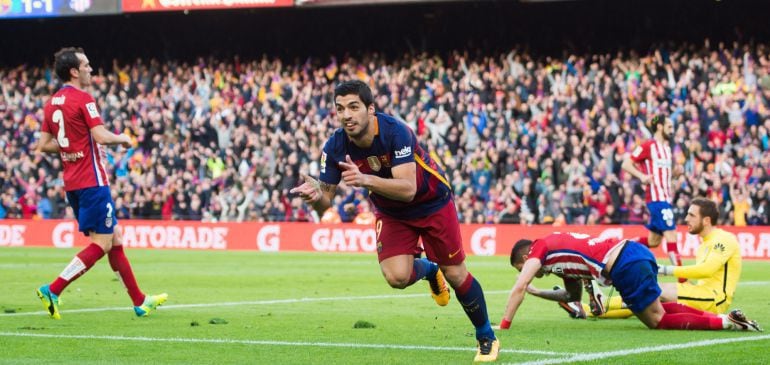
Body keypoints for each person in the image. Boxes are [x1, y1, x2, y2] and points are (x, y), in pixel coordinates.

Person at [290, 80, 499, 362]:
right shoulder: (335, 146)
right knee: (396, 277)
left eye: (354, 107)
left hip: (432, 203)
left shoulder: (396, 132)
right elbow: (325, 204)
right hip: (392, 212)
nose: (346, 115)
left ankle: (486, 336)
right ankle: (428, 270)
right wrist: (315, 197)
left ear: (371, 109)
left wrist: (366, 179)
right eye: (340, 109)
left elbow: (408, 188)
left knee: (456, 274)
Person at [35, 47, 167, 319]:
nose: (90, 69)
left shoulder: (52, 103)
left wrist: (75, 147)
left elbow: (44, 145)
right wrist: (122, 138)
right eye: (86, 65)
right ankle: (54, 288)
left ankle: (140, 301)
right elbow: (102, 136)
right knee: (103, 243)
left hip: (73, 182)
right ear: (74, 71)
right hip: (92, 181)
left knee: (115, 238)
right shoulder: (84, 99)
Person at [499, 232, 762, 332]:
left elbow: (518, 286)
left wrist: (504, 324)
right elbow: (571, 298)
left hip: (624, 263)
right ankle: (726, 319)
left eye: (521, 267)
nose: (526, 271)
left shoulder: (539, 248)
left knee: (655, 320)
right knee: (656, 305)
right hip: (633, 255)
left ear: (525, 256)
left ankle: (725, 322)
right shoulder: (558, 260)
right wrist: (535, 291)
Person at [658, 197, 742, 314]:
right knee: (647, 297)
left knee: (656, 291)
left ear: (706, 220)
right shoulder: (704, 244)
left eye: (692, 215)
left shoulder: (724, 239)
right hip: (702, 295)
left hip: (715, 300)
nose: (686, 219)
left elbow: (707, 270)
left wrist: (665, 270)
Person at [622, 115, 682, 270]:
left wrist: (676, 172)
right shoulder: (648, 146)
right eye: (669, 126)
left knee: (654, 241)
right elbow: (626, 164)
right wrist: (642, 176)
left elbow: (665, 174)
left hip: (666, 198)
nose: (672, 130)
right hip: (656, 199)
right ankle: (684, 280)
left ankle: (624, 247)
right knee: (671, 234)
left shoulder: (667, 149)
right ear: (660, 127)